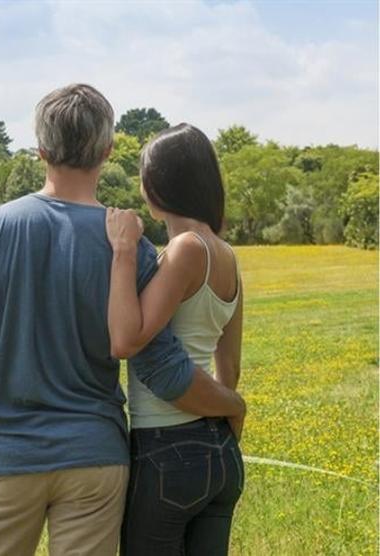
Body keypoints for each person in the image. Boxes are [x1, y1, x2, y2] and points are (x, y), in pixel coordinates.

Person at [0, 83, 247, 556]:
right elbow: (160, 366)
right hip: (97, 459)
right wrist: (231, 405)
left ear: (39, 150)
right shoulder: (131, 245)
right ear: (107, 150)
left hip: (10, 457)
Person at [105, 123, 245, 555]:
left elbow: (128, 340)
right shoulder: (227, 254)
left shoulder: (186, 249)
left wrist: (124, 251)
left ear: (157, 186)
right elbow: (231, 370)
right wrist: (224, 417)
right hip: (220, 452)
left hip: (166, 449)